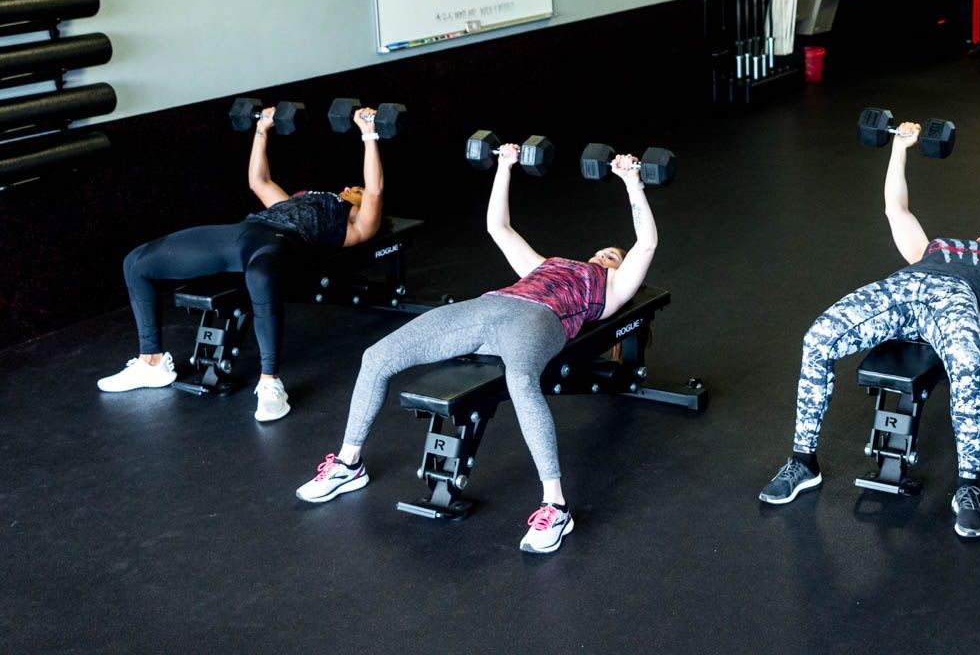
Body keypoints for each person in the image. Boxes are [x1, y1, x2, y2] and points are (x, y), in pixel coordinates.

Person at [294, 143, 656, 555]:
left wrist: (632, 182)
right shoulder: (547, 264)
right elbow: (498, 228)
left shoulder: (610, 289)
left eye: (610, 255)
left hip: (540, 320)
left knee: (521, 380)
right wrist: (504, 167)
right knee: (376, 357)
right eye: (600, 251)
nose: (601, 254)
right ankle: (348, 463)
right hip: (490, 305)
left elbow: (644, 244)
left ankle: (555, 506)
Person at [758, 122, 980, 538]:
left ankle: (967, 489)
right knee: (818, 338)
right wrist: (900, 146)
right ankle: (803, 463)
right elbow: (896, 210)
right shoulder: (930, 249)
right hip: (903, 287)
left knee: (969, 370)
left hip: (955, 303)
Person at [97, 105, 386, 421]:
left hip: (280, 243)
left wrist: (368, 133)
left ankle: (270, 384)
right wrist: (263, 128)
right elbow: (258, 181)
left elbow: (374, 189)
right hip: (241, 233)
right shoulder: (292, 201)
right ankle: (150, 363)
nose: (348, 188)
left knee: (260, 278)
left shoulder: (356, 224)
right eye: (349, 186)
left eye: (354, 191)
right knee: (136, 262)